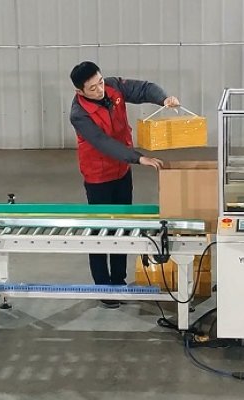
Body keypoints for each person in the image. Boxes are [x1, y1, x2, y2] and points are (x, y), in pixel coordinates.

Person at [68, 61, 180, 308]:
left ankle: (119, 281)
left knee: (123, 225)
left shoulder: (113, 86)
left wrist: (163, 99)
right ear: (80, 91)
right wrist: (138, 158)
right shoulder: (79, 114)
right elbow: (103, 142)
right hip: (98, 177)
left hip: (122, 170)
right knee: (101, 231)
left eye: (100, 83)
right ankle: (103, 287)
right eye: (92, 88)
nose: (100, 90)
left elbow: (143, 89)